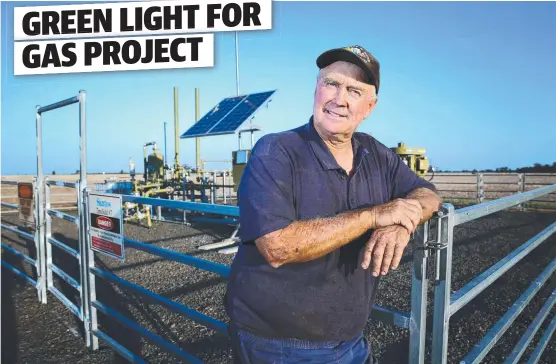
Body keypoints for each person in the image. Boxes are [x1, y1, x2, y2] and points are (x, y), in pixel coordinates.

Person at [224, 45, 442, 363]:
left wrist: (400, 222)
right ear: (316, 88)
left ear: (369, 106)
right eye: (331, 83)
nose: (339, 99)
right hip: (278, 346)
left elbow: (428, 194)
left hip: (352, 340)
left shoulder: (374, 153)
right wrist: (374, 216)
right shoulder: (276, 151)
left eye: (354, 90)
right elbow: (277, 246)